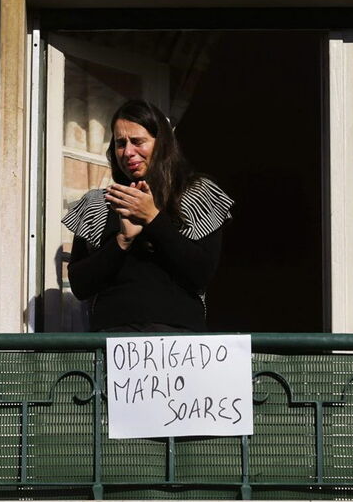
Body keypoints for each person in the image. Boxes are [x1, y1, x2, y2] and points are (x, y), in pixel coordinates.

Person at [62, 99, 233, 332]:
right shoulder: (98, 204)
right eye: (120, 143)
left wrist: (153, 218)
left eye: (138, 141)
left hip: (180, 346)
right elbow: (80, 285)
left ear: (161, 143)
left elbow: (200, 273)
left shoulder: (197, 193)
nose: (128, 152)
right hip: (113, 342)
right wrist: (123, 241)